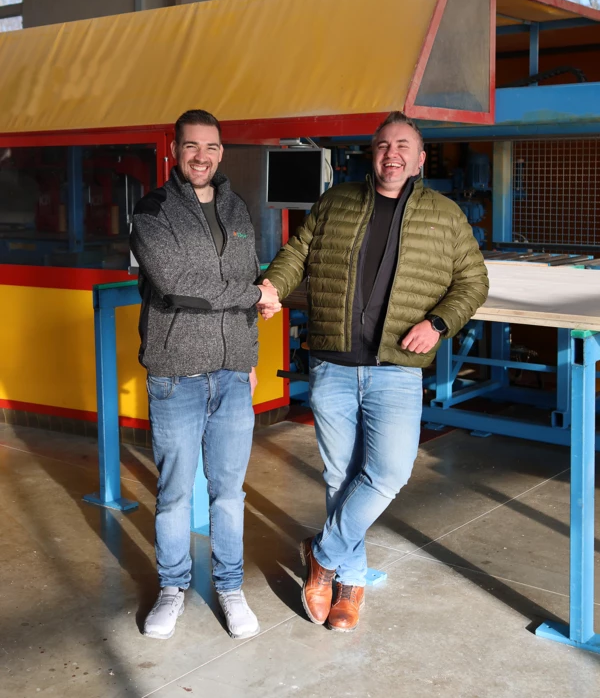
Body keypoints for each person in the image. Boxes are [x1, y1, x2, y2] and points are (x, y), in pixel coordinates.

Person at [262, 111, 489, 633]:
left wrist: (438, 323)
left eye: (404, 144)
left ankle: (321, 554)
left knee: (387, 473)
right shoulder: (337, 201)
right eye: (384, 144)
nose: (393, 153)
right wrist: (273, 285)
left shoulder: (445, 215)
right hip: (334, 363)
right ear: (373, 152)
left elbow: (472, 281)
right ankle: (350, 584)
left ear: (420, 157)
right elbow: (297, 254)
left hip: (397, 369)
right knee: (341, 477)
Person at [130, 109, 281, 640]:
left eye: (211, 147)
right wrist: (253, 296)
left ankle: (230, 588)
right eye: (191, 146)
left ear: (221, 151)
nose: (201, 156)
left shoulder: (238, 208)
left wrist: (249, 360)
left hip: (232, 377)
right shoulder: (152, 211)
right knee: (174, 493)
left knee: (228, 493)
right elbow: (178, 286)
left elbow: (249, 279)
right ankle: (172, 588)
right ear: (175, 150)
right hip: (177, 376)